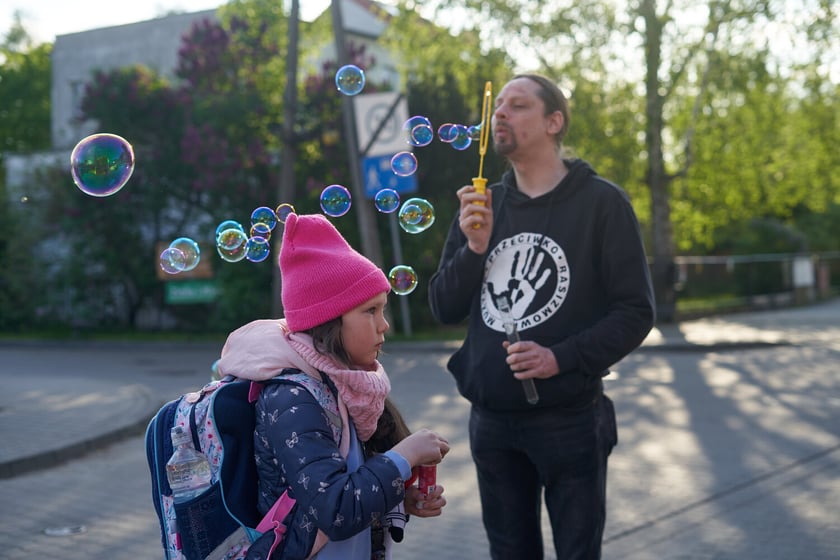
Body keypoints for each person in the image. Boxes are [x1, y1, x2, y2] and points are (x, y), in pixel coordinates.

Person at [428, 74, 655, 559]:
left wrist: (561, 357)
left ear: (554, 122)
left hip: (569, 421)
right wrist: (474, 247)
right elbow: (443, 308)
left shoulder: (602, 204)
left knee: (577, 552)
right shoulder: (480, 204)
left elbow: (636, 311)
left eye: (518, 105)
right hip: (491, 422)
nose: (501, 114)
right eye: (498, 107)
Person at [219, 212, 450, 559]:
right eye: (370, 311)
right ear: (328, 320)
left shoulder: (343, 386)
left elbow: (347, 479)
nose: (384, 325)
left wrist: (400, 497)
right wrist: (405, 455)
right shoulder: (292, 398)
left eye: (383, 310)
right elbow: (335, 509)